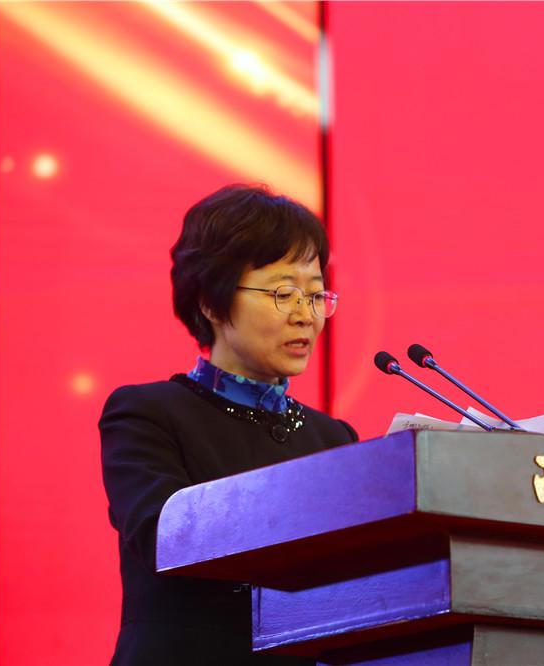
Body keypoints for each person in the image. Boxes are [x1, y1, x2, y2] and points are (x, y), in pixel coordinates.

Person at [100, 184, 357, 665]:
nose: (305, 315)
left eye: (315, 294)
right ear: (211, 303)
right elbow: (161, 535)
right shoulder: (146, 413)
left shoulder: (333, 438)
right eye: (284, 293)